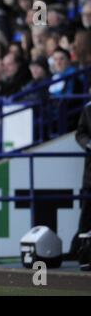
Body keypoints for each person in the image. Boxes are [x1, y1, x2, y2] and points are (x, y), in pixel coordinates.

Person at [69, 102, 91, 258]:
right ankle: (78, 251)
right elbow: (81, 133)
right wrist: (89, 144)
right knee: (86, 215)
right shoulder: (89, 108)